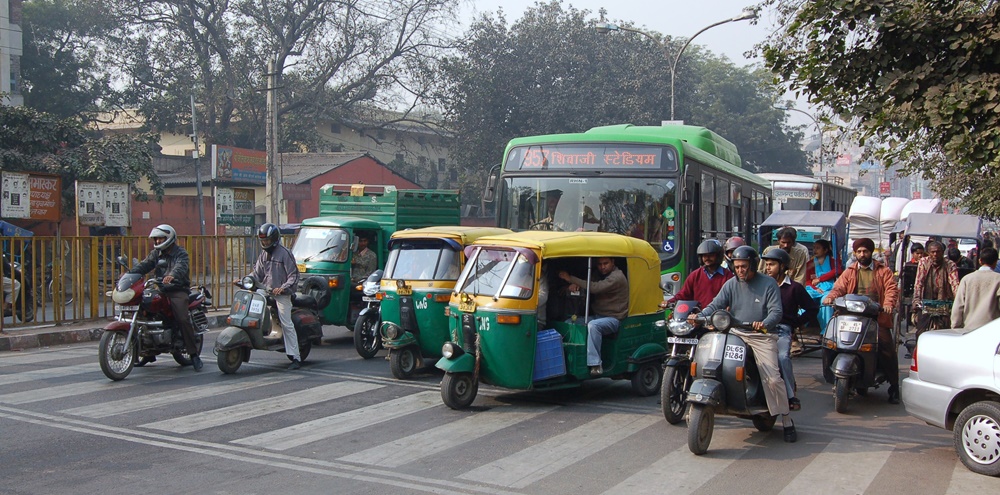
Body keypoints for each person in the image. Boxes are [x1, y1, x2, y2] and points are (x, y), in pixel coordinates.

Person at [697, 246, 795, 442]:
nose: (740, 270)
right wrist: (699, 316)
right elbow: (716, 304)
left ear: (752, 265)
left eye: (744, 266)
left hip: (761, 336)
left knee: (773, 379)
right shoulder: (732, 284)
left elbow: (776, 312)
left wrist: (764, 324)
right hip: (735, 332)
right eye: (737, 266)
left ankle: (787, 420)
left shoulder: (768, 284)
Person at [824, 238, 901, 404]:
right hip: (851, 315)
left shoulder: (883, 271)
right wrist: (831, 297)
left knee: (886, 346)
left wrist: (887, 304)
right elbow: (839, 288)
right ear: (855, 253)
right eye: (859, 251)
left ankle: (894, 386)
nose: (862, 254)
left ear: (871, 252)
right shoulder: (850, 271)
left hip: (875, 317)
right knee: (832, 341)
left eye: (865, 251)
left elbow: (891, 289)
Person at [129, 225, 202, 371]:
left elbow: (181, 267)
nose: (157, 241)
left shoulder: (180, 253)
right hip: (160, 288)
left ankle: (194, 354)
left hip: (177, 289)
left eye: (159, 238)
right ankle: (148, 351)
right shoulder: (156, 253)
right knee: (144, 309)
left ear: (169, 238)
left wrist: (172, 275)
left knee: (182, 318)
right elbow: (144, 265)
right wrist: (129, 275)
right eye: (155, 238)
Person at [762, 248, 819, 412]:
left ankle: (789, 394)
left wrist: (795, 323)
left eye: (772, 264)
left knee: (782, 357)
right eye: (767, 264)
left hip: (782, 330)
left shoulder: (794, 288)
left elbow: (812, 309)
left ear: (782, 266)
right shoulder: (763, 286)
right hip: (760, 330)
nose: (768, 268)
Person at [240, 223, 303, 370]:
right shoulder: (263, 255)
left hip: (282, 294)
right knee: (251, 306)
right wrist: (245, 280)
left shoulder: (284, 253)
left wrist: (283, 288)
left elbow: (294, 275)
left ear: (274, 239)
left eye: (267, 240)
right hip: (266, 291)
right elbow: (257, 274)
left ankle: (295, 357)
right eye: (263, 241)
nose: (265, 243)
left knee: (286, 322)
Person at [558, 257, 628, 376]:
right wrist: (574, 285)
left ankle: (595, 364)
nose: (602, 267)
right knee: (569, 322)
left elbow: (595, 287)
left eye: (606, 263)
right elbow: (587, 283)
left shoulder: (617, 277)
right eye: (600, 264)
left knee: (593, 326)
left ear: (613, 262)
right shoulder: (597, 274)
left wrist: (570, 278)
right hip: (597, 315)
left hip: (614, 318)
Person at [662, 239, 733, 310]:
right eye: (704, 256)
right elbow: (684, 294)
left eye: (711, 255)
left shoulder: (728, 277)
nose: (707, 258)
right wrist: (669, 302)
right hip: (697, 316)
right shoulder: (695, 275)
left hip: (718, 317)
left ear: (718, 256)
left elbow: (733, 298)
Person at [912, 240, 960, 337]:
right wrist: (916, 299)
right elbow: (919, 283)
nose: (935, 254)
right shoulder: (923, 262)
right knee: (921, 332)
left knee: (947, 332)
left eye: (938, 252)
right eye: (932, 252)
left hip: (944, 302)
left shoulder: (950, 264)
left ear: (942, 253)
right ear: (928, 253)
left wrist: (958, 301)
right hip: (926, 301)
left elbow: (955, 284)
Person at [951, 247, 1000, 329]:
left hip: (969, 329)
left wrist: (955, 327)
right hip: (992, 331)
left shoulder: (967, 279)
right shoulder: (998, 279)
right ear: (996, 262)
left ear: (980, 261)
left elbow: (958, 306)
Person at [804, 239, 841, 332]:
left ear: (825, 250)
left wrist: (820, 279)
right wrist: (815, 288)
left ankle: (826, 330)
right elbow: (807, 280)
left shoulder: (833, 261)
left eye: (818, 248)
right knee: (805, 299)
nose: (815, 250)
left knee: (826, 303)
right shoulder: (810, 263)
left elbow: (837, 271)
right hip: (814, 289)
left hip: (829, 288)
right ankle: (801, 325)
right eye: (814, 248)